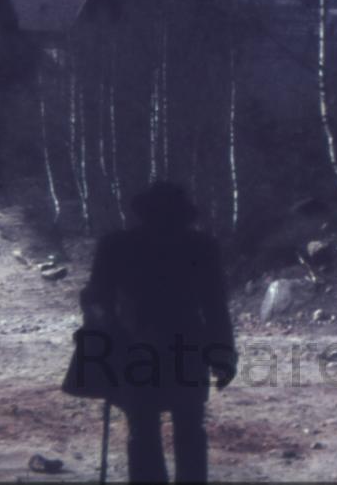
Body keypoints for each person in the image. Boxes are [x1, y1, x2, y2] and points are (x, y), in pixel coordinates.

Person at [74, 182, 236, 483]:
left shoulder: (117, 245)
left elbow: (96, 298)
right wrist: (223, 355)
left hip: (137, 347)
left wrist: (102, 337)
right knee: (187, 428)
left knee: (144, 429)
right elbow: (215, 306)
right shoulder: (201, 247)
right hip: (184, 347)